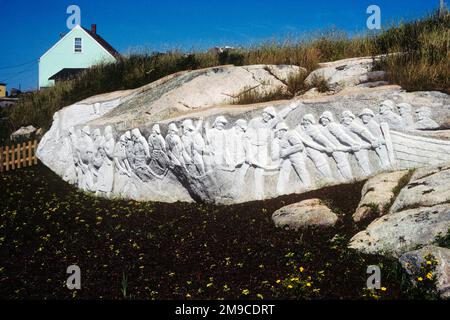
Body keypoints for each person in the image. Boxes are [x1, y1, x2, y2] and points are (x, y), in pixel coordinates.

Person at [272, 122, 311, 194]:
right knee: (284, 172)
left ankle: (308, 185)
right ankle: (280, 191)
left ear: (281, 131)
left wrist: (286, 151)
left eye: (277, 132)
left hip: (296, 155)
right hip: (287, 158)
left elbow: (299, 146)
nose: (277, 134)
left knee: (301, 170)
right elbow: (275, 155)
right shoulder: (278, 140)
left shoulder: (289, 134)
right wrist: (282, 152)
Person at [318, 111, 354, 180]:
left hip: (338, 148)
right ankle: (343, 179)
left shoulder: (331, 125)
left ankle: (349, 179)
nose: (324, 120)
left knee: (343, 163)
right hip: (331, 149)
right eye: (323, 118)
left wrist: (352, 143)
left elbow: (341, 136)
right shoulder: (321, 128)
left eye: (326, 118)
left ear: (329, 119)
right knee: (340, 164)